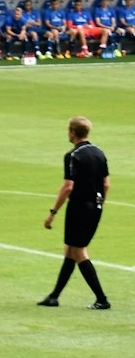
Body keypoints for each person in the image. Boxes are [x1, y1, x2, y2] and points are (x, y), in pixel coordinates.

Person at [40, 117, 111, 308]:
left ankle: (102, 299)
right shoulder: (99, 153)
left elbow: (68, 187)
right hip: (96, 206)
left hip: (79, 208)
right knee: (70, 250)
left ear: (73, 132)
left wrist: (53, 212)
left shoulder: (73, 156)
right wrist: (99, 205)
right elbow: (106, 184)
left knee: (78, 252)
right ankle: (54, 296)